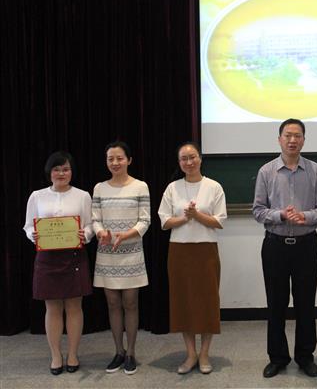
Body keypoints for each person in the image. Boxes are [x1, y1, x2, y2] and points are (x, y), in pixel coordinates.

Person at [252, 118, 317, 378]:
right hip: (275, 245)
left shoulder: (315, 170)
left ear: (304, 140)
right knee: (276, 304)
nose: (292, 140)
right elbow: (258, 210)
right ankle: (277, 358)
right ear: (279, 139)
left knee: (306, 304)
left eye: (297, 136)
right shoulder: (266, 171)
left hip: (306, 245)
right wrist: (281, 215)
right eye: (288, 135)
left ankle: (305, 357)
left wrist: (305, 216)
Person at [158, 141, 227, 375]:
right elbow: (164, 221)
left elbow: (219, 221)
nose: (189, 162)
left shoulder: (214, 186)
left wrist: (196, 215)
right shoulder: (172, 188)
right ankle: (190, 354)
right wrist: (186, 218)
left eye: (192, 157)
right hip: (179, 251)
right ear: (179, 163)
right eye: (184, 159)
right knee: (183, 302)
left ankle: (205, 354)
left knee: (207, 302)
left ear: (200, 158)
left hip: (206, 251)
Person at [23, 151, 94, 375]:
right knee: (52, 308)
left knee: (74, 306)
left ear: (72, 172)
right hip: (47, 257)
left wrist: (86, 234)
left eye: (66, 169)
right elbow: (28, 226)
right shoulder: (37, 196)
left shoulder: (82, 196)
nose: (61, 173)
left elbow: (90, 224)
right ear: (49, 172)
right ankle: (55, 355)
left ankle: (72, 354)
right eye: (57, 169)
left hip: (74, 255)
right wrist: (33, 235)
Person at [92, 141, 150, 375]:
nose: (115, 163)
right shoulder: (99, 188)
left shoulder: (140, 186)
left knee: (130, 303)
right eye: (110, 159)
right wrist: (101, 233)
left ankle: (131, 353)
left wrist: (125, 235)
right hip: (107, 254)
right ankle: (118, 351)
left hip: (131, 253)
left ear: (129, 160)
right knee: (113, 304)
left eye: (119, 158)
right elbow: (95, 219)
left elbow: (144, 220)